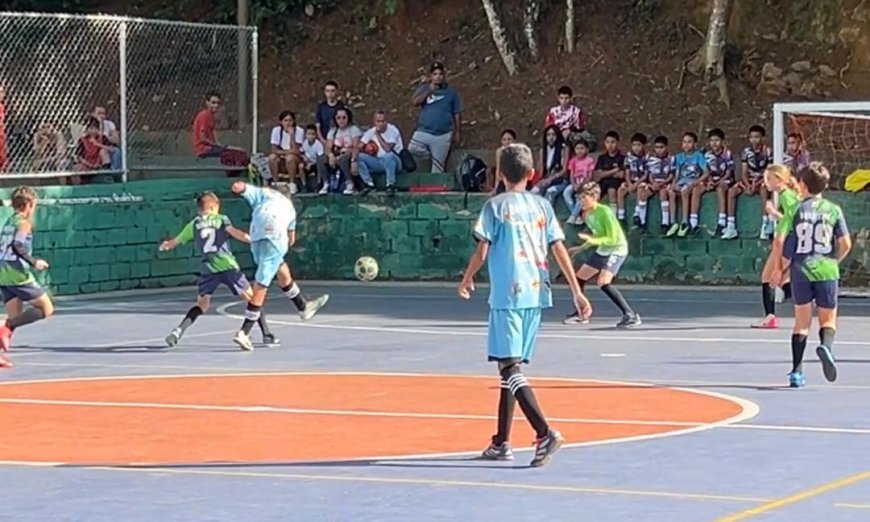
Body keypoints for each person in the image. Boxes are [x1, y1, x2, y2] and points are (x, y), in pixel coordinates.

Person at [458, 143, 590, 467]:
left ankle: (544, 432)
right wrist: (576, 290)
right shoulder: (542, 205)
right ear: (532, 174)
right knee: (509, 367)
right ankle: (501, 442)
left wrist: (467, 277)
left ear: (500, 174)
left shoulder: (494, 207)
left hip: (508, 294)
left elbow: (482, 250)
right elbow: (558, 248)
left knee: (509, 367)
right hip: (536, 293)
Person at [159, 191, 277, 349]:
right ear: (212, 207)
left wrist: (166, 245)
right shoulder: (221, 219)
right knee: (253, 299)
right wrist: (251, 239)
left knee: (202, 304)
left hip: (208, 268)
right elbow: (233, 232)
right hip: (227, 265)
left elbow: (174, 241)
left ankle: (178, 331)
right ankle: (267, 335)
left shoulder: (194, 224)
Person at [772, 162, 852, 388]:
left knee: (801, 322)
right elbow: (846, 243)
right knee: (828, 318)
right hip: (826, 268)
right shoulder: (834, 210)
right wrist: (833, 261)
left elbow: (780, 241)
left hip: (801, 269)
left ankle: (797, 372)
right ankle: (826, 346)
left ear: (803, 186)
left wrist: (779, 269)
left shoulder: (796, 210)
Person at [231, 181, 329, 351]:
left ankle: (302, 306)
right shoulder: (289, 207)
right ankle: (244, 332)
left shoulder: (263, 194)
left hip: (256, 238)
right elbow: (291, 239)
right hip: (274, 238)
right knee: (261, 284)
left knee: (280, 266)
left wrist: (239, 187)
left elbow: (239, 187)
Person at [563, 181, 641, 328]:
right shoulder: (586, 214)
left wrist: (592, 241)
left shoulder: (605, 212)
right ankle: (581, 313)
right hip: (603, 248)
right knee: (579, 279)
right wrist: (582, 248)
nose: (581, 201)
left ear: (594, 197)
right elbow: (598, 235)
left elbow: (612, 238)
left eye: (584, 198)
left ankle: (630, 315)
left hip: (617, 248)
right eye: (579, 198)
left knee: (603, 282)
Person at [0, 187, 55, 366]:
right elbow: (17, 245)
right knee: (46, 308)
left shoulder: (10, 221)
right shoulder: (24, 223)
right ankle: (5, 325)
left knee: (15, 316)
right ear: (29, 204)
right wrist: (34, 262)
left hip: (3, 271)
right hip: (17, 274)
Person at [752, 165, 799, 330]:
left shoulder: (787, 196)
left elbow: (792, 221)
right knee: (783, 280)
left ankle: (770, 317)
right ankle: (805, 307)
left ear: (779, 179)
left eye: (769, 179)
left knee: (767, 277)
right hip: (790, 240)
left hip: (788, 240)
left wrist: (773, 212)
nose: (766, 182)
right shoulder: (787, 195)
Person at [666, 132, 708, 237]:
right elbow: (677, 175)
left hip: (693, 181)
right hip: (682, 181)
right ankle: (673, 222)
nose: (686, 144)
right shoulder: (678, 157)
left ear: (695, 144)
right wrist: (673, 184)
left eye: (689, 142)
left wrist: (696, 182)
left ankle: (685, 222)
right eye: (684, 142)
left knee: (684, 191)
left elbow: (706, 173)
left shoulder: (699, 156)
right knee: (671, 192)